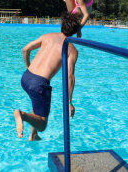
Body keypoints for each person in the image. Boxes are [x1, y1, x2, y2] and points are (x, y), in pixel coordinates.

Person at [14, 12, 80, 141]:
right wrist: (70, 102)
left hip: (26, 78)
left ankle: (33, 135)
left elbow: (25, 49)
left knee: (36, 103)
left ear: (62, 25)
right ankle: (21, 115)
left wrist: (28, 67)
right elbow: (70, 77)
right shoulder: (71, 49)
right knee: (43, 125)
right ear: (75, 31)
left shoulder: (48, 36)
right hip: (39, 83)